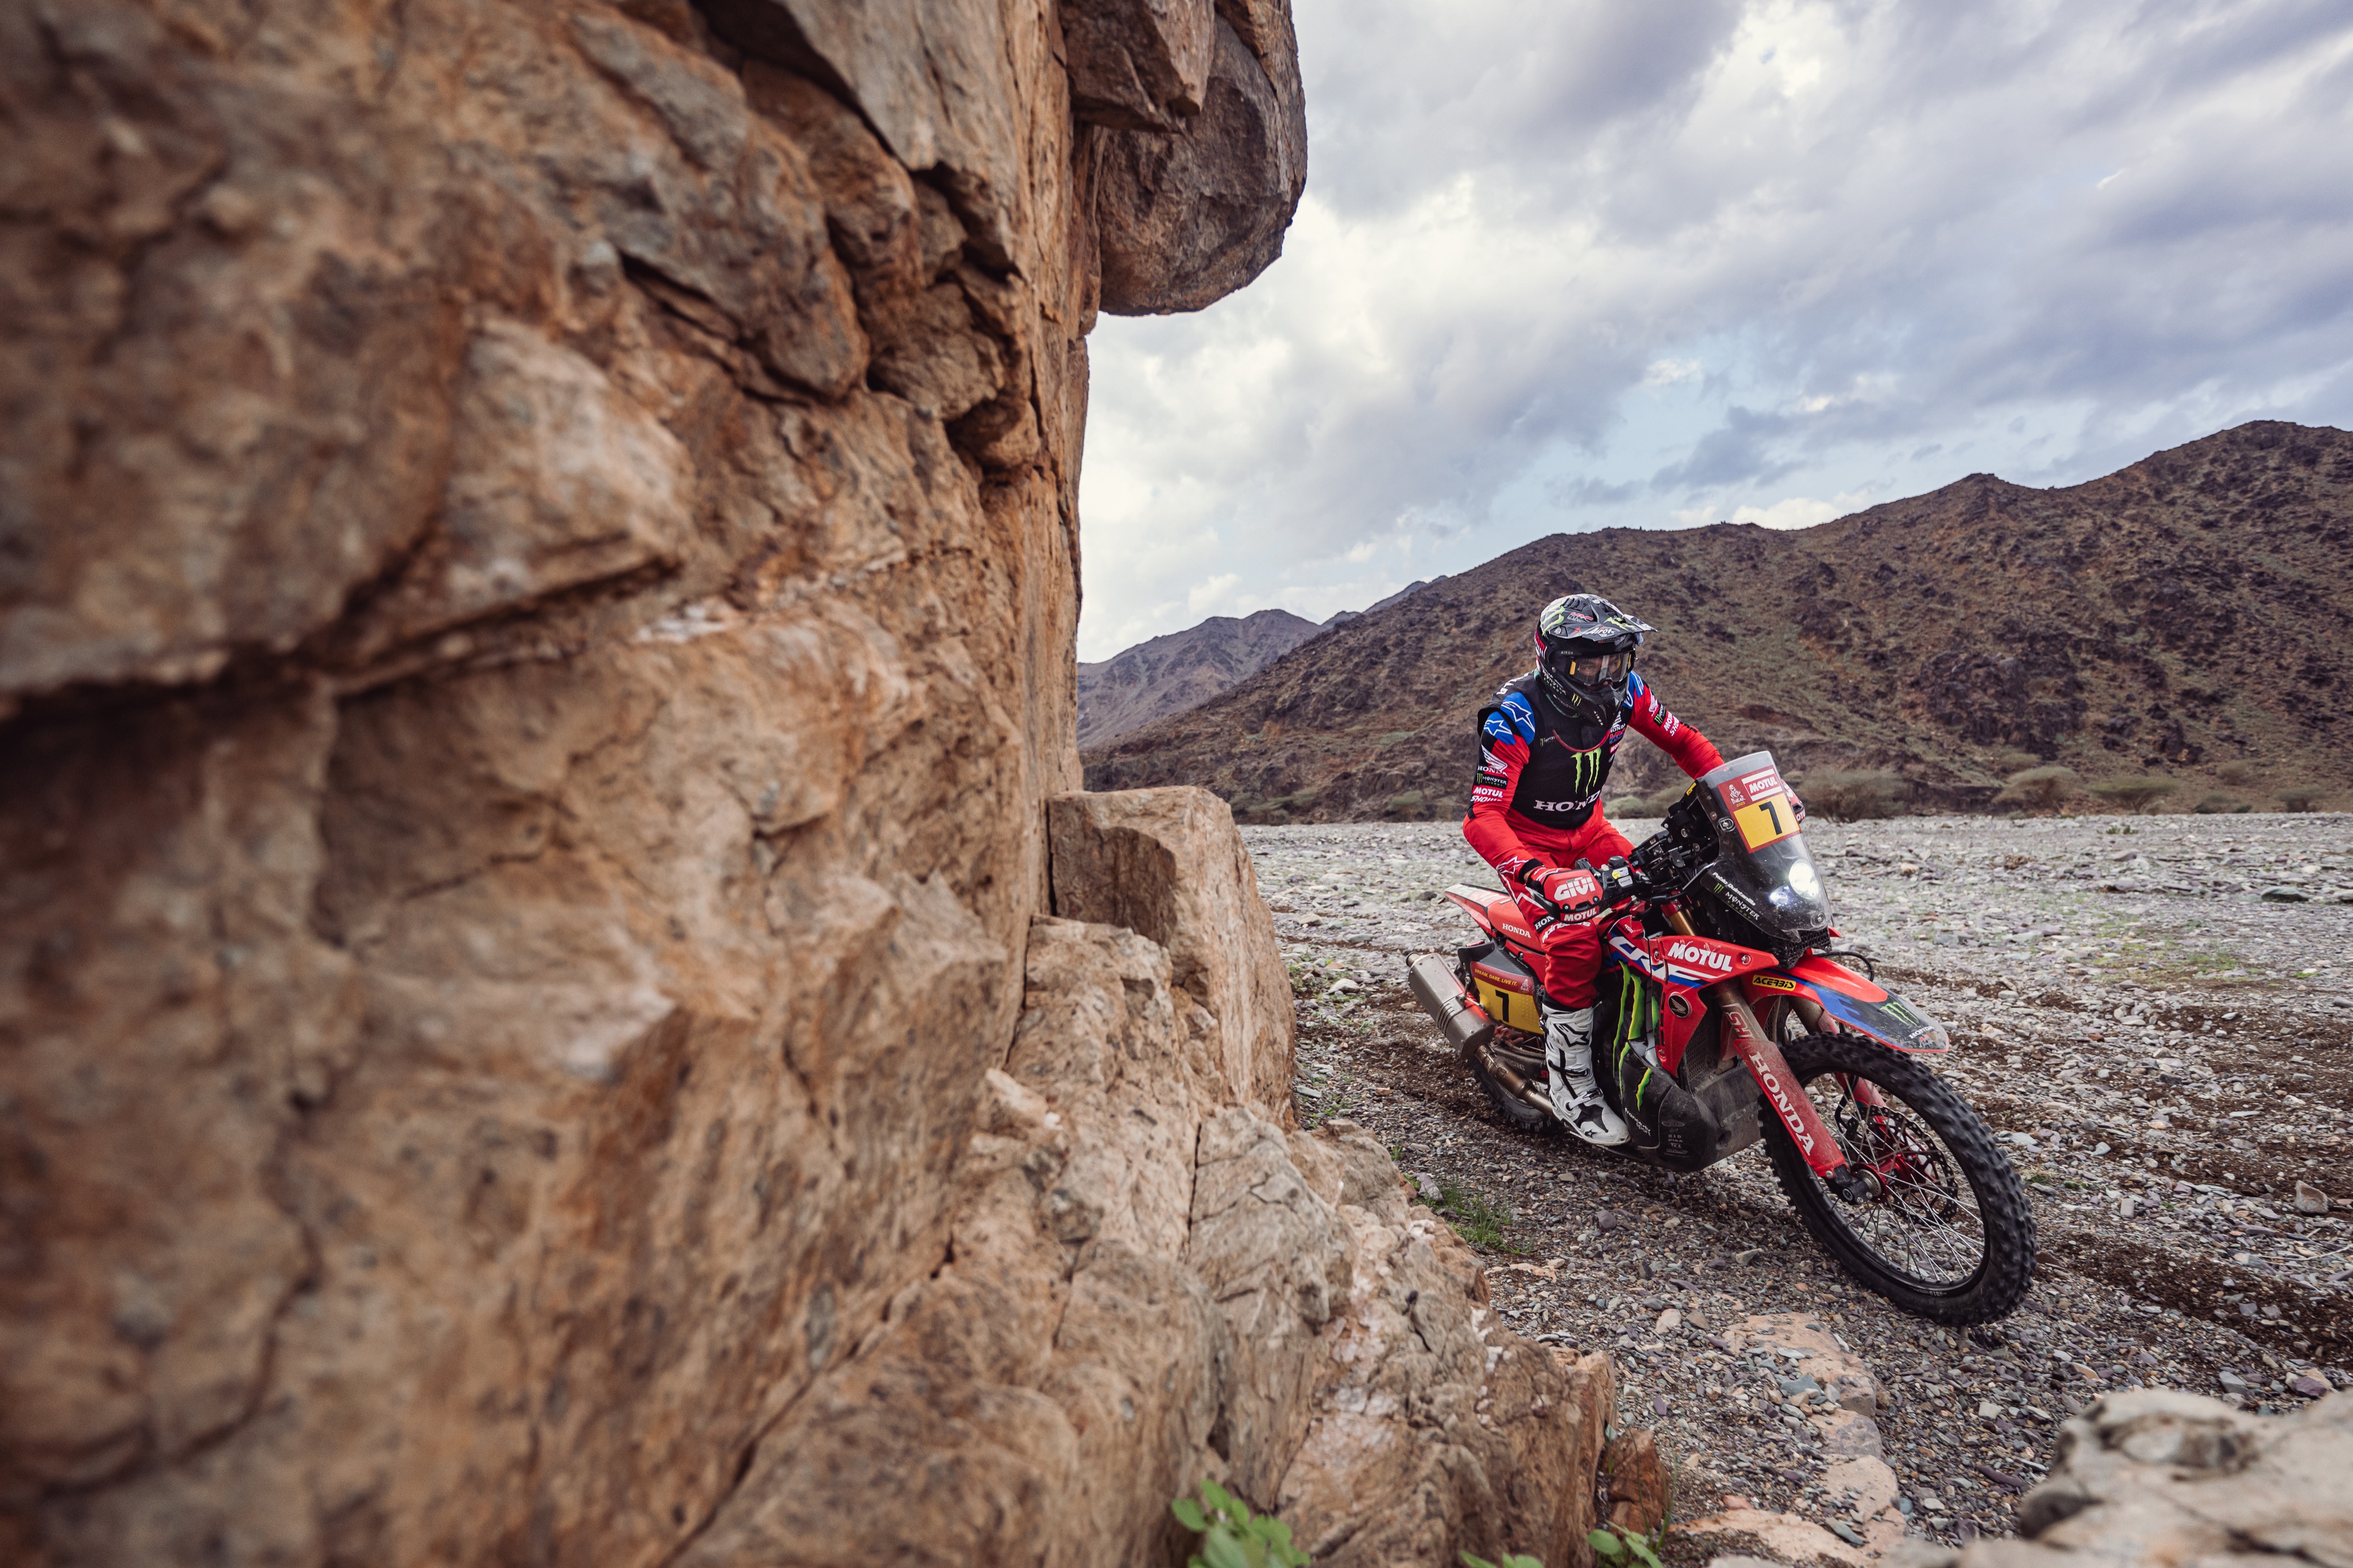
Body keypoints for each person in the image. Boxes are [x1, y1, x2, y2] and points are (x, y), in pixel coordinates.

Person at [1463, 593, 1735, 1145]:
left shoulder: (1628, 692)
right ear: (1553, 661)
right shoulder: (1514, 716)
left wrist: (1741, 796)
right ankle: (1572, 1083)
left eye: (1616, 661)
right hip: (1530, 846)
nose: (1605, 676)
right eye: (1589, 664)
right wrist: (1539, 875)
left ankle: (1647, 1044)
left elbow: (1685, 742)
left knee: (1667, 906)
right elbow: (1483, 816)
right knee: (1575, 941)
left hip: (1591, 831)